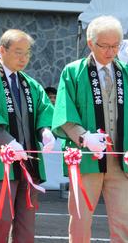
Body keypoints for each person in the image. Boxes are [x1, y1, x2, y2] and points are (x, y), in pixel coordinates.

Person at [0, 29, 55, 243]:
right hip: (1, 162)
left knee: (26, 224)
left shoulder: (30, 84)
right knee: (1, 217)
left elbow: (45, 109)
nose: (23, 58)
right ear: (2, 50)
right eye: (18, 52)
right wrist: (8, 142)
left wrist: (45, 131)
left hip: (28, 163)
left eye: (27, 53)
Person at [52, 15, 128, 242]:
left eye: (116, 45)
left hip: (120, 161)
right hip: (86, 158)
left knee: (124, 219)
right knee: (81, 218)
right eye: (105, 46)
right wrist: (84, 137)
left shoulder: (125, 71)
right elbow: (64, 112)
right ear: (90, 43)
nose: (111, 51)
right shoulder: (73, 72)